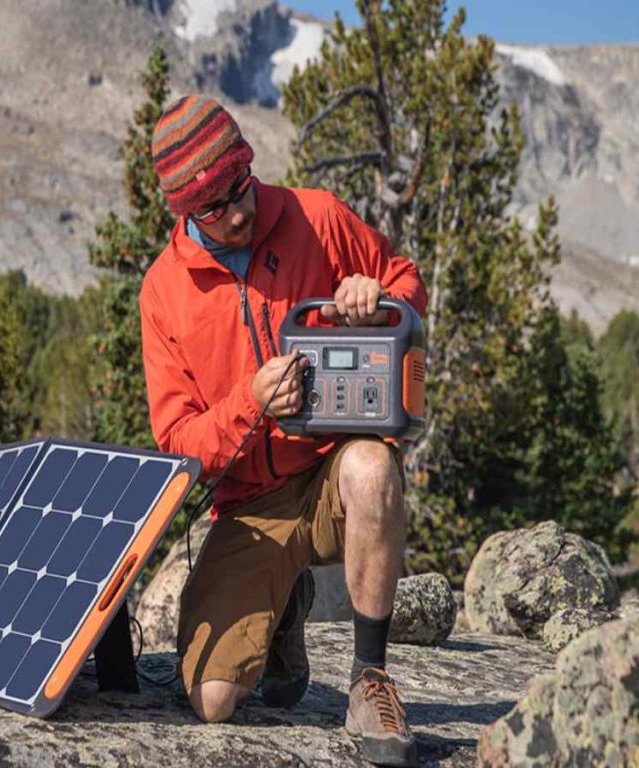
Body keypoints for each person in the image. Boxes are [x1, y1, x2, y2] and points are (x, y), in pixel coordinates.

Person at [139, 94, 429, 767]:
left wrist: (377, 299)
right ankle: (283, 615)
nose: (238, 211)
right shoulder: (163, 293)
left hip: (331, 469)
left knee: (374, 467)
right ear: (184, 212)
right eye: (214, 207)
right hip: (248, 507)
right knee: (212, 699)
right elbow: (177, 443)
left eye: (241, 188)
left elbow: (406, 280)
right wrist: (250, 402)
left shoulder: (317, 217)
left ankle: (369, 680)